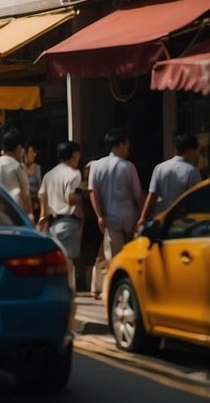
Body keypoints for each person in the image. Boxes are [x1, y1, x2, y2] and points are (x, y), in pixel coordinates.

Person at [88, 129, 143, 301]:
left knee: (113, 258)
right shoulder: (128, 166)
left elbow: (92, 192)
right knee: (133, 257)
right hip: (130, 215)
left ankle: (109, 293)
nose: (128, 148)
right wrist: (143, 215)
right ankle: (132, 291)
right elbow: (138, 194)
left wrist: (99, 215)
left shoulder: (96, 165)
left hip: (110, 217)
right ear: (118, 145)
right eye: (126, 144)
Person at [137, 132, 202, 231]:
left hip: (158, 218)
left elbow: (152, 195)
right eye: (197, 150)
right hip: (180, 222)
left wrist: (143, 218)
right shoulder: (192, 171)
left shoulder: (160, 168)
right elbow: (196, 199)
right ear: (191, 150)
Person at [38, 141, 84, 261]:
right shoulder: (74, 174)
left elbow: (42, 195)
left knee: (56, 262)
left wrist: (43, 217)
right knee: (68, 263)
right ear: (74, 154)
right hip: (69, 223)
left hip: (52, 225)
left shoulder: (49, 175)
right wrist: (84, 194)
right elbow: (71, 199)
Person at [0, 130, 33, 218]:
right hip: (14, 213)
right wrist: (29, 215)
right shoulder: (18, 167)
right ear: (18, 147)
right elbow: (25, 194)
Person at [24, 140, 43, 218]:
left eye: (32, 153)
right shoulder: (20, 167)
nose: (29, 155)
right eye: (27, 153)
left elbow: (40, 186)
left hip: (34, 201)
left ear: (35, 154)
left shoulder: (37, 168)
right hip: (24, 201)